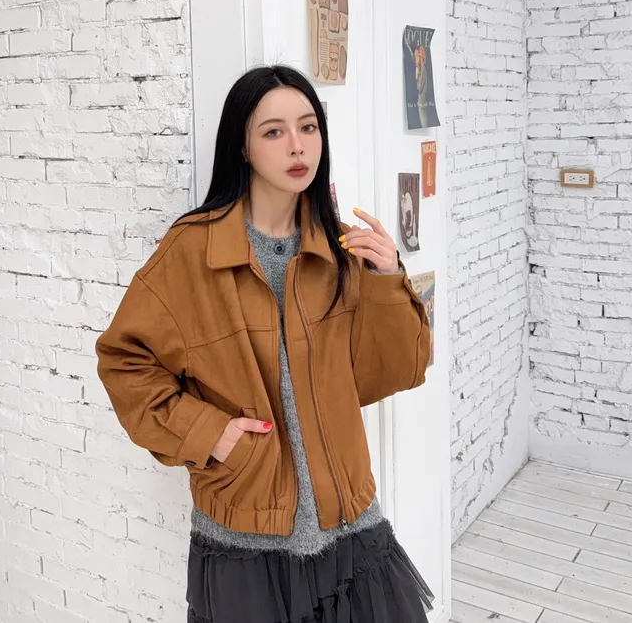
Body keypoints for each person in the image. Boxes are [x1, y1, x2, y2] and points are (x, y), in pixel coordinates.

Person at [95, 65, 434, 623]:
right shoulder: (192, 251)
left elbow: (396, 371)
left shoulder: (342, 250)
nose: (297, 146)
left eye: (308, 127)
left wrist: (387, 280)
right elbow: (124, 362)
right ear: (243, 146)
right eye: (274, 131)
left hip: (350, 528)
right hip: (244, 543)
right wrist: (209, 432)